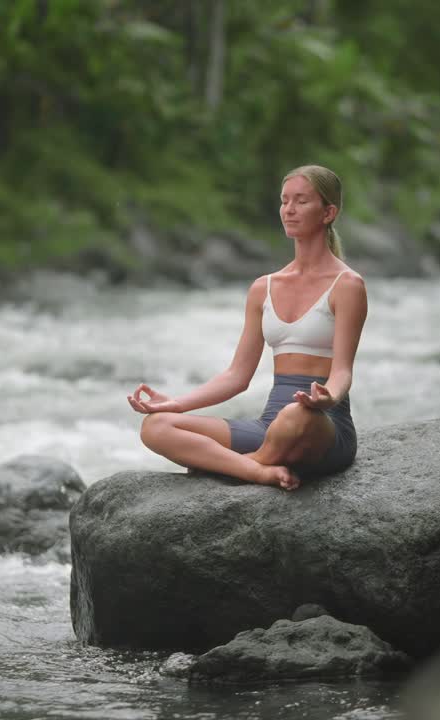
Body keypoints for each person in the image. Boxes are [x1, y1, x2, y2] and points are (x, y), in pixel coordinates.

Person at [127, 165, 367, 491]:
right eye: (284, 201)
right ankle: (259, 470)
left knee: (296, 414)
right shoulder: (263, 288)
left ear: (328, 212)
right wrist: (176, 404)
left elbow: (342, 372)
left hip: (323, 426)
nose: (289, 210)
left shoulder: (347, 285)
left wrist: (328, 397)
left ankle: (245, 465)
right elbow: (236, 376)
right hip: (269, 426)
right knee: (155, 427)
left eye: (301, 201)